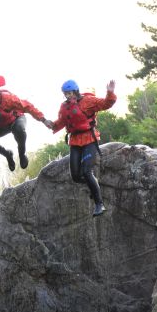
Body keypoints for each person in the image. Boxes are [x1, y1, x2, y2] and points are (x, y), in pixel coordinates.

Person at [51, 79, 117, 217]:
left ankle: (99, 204)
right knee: (75, 176)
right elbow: (61, 122)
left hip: (89, 139)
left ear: (75, 91)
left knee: (87, 171)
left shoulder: (88, 101)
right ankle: (94, 185)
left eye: (69, 93)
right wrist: (50, 124)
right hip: (75, 140)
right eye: (65, 94)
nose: (67, 96)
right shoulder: (64, 107)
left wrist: (110, 93)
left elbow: (106, 103)